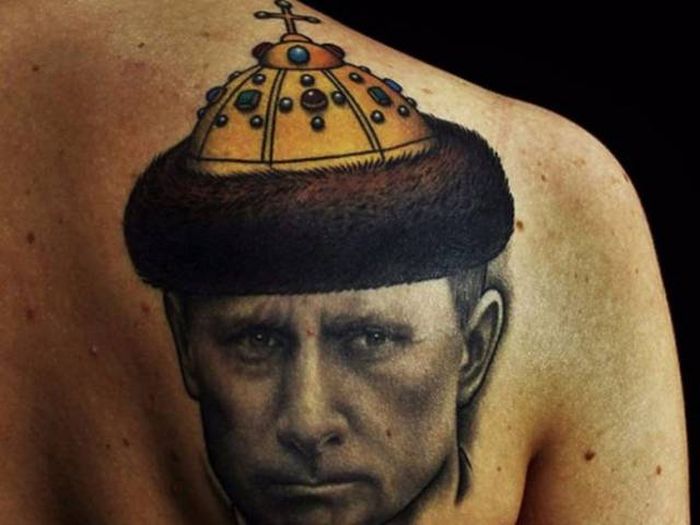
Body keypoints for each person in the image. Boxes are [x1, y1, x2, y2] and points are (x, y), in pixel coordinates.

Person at [0, 0, 688, 523]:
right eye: (256, 340)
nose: (307, 422)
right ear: (185, 345)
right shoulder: (558, 189)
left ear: (477, 345)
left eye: (371, 338)